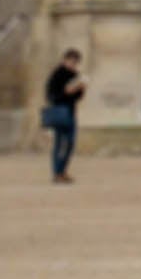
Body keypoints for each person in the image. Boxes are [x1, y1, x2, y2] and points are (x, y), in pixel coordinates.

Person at [43, 47, 85, 184]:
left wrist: (80, 90)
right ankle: (57, 172)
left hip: (70, 112)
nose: (73, 64)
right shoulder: (58, 74)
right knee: (62, 143)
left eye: (75, 62)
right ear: (65, 60)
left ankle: (63, 170)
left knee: (70, 143)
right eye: (71, 61)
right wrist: (67, 92)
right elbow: (52, 95)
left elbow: (77, 97)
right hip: (61, 111)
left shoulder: (74, 75)